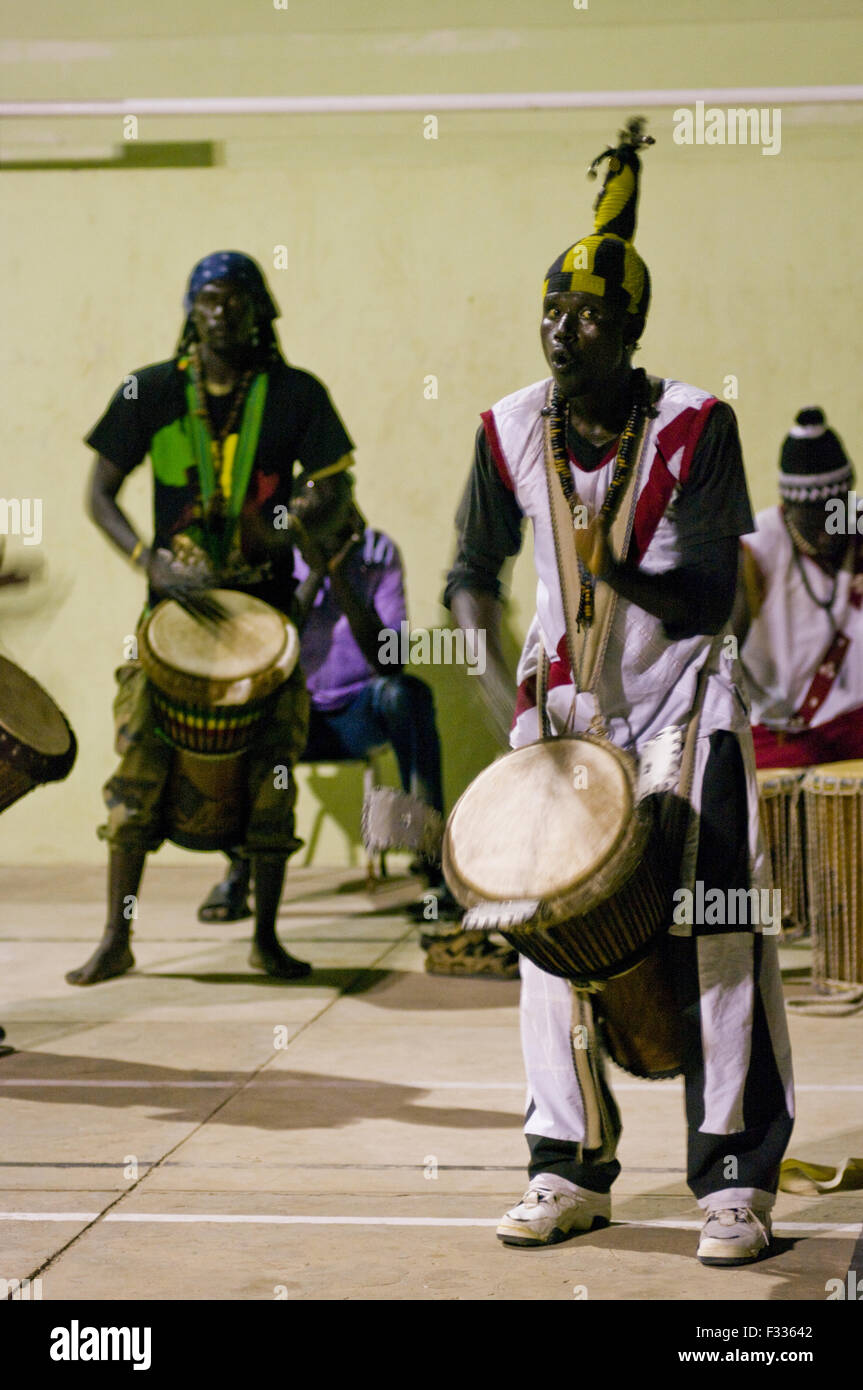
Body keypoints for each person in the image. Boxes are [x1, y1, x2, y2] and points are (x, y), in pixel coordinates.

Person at [444, 120, 794, 1264]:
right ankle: (565, 1165)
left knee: (722, 926)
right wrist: (511, 717)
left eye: (586, 313)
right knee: (541, 939)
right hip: (559, 717)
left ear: (631, 327)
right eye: (548, 309)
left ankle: (733, 1180)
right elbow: (465, 578)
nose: (560, 329)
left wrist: (617, 570)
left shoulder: (697, 425)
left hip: (684, 706)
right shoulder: (505, 429)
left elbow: (702, 595)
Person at [67, 251, 355, 986]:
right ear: (190, 311)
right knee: (135, 769)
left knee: (274, 778)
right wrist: (146, 560)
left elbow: (336, 490)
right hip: (170, 618)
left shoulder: (295, 394)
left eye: (237, 301)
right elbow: (98, 492)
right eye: (210, 301)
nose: (223, 313)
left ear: (262, 311)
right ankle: (115, 937)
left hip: (268, 621)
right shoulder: (152, 391)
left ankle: (265, 938)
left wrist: (287, 521)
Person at [198, 473, 518, 978]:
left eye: (320, 502)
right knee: (234, 711)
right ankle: (240, 869)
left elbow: (388, 659)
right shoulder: (278, 552)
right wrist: (313, 571)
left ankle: (433, 866)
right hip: (292, 715)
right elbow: (272, 645)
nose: (306, 508)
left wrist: (340, 575)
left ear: (348, 511)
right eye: (301, 501)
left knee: (406, 696)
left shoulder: (377, 552)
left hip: (355, 714)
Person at [735, 408, 863, 767]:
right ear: (787, 507)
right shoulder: (757, 547)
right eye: (812, 517)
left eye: (834, 512)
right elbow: (722, 648)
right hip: (780, 732)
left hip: (854, 719)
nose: (827, 529)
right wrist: (765, 699)